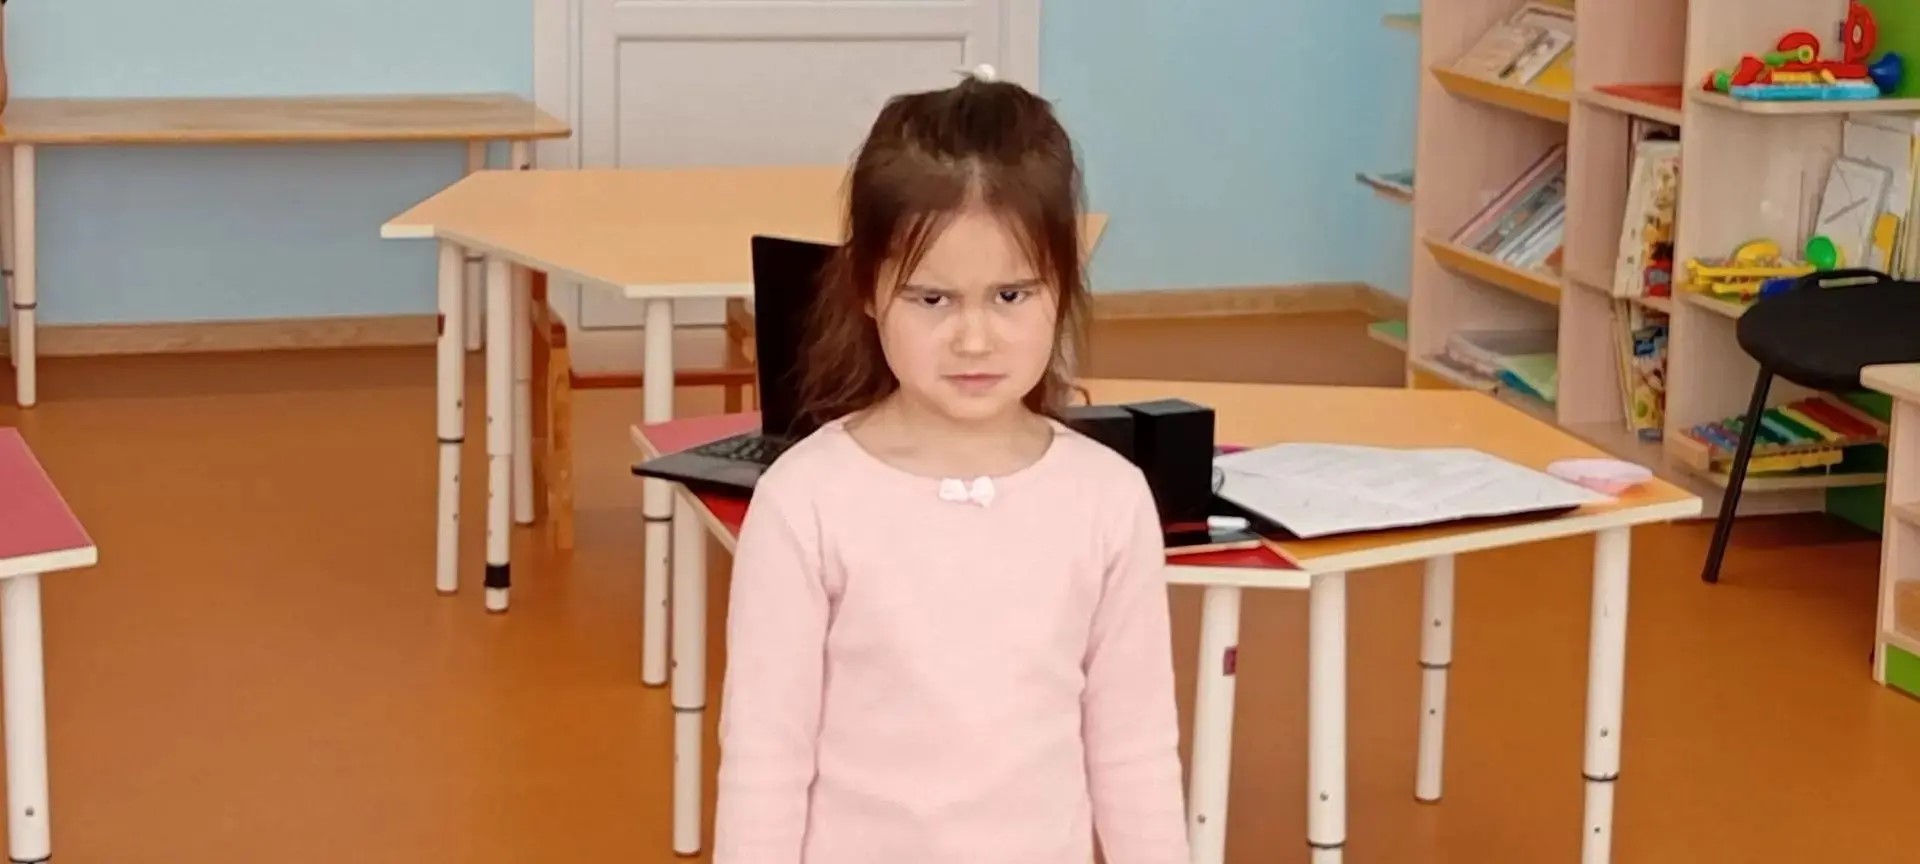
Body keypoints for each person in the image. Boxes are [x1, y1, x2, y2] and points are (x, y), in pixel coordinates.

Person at [711, 66, 1190, 864]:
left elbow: (1134, 756)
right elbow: (765, 764)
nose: (974, 339)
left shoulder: (1108, 499)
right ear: (868, 289)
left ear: (1062, 286)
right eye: (933, 299)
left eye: (1011, 296)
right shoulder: (806, 501)